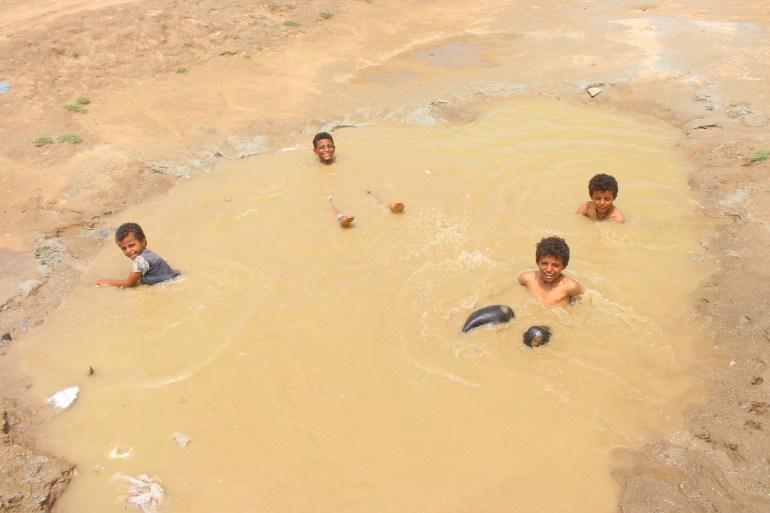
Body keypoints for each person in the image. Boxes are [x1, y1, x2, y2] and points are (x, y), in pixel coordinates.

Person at [94, 222, 180, 288]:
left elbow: (130, 284)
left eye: (131, 245)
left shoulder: (140, 260)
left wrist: (108, 282)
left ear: (143, 242)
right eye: (124, 248)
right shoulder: (148, 253)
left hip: (169, 285)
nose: (128, 251)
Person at [518, 236, 582, 307]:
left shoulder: (571, 287)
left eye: (555, 265)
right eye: (544, 263)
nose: (548, 269)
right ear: (537, 262)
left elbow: (580, 307)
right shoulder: (527, 278)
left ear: (564, 266)